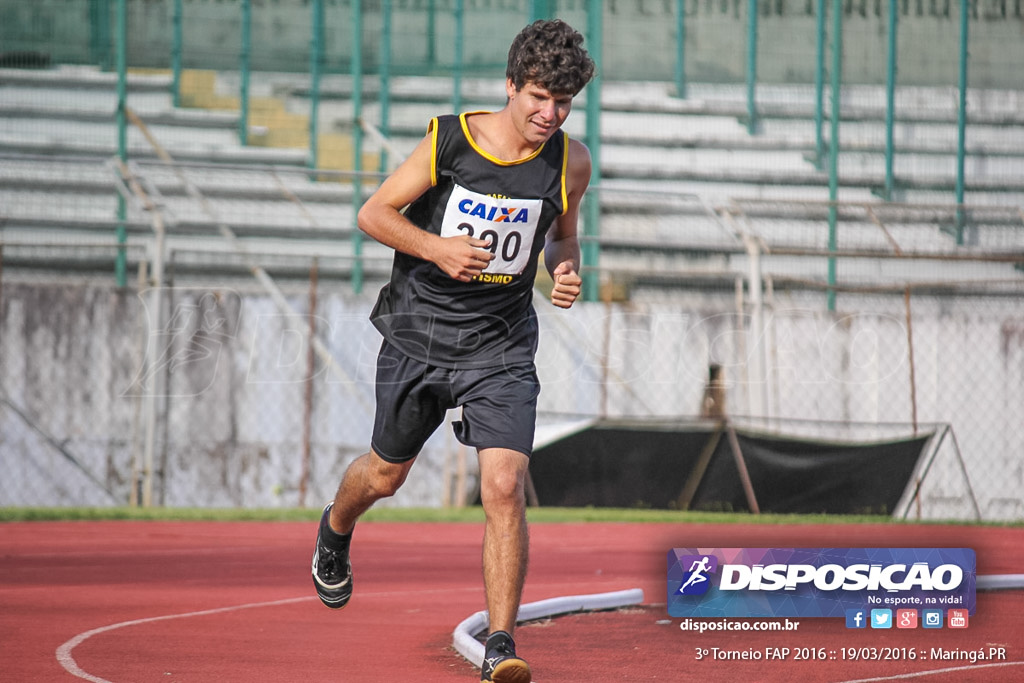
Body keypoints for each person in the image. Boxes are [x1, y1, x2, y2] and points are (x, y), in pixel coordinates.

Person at [311, 18, 595, 683]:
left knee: (503, 485)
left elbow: (562, 237)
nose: (550, 114)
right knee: (385, 474)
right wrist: (437, 247)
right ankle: (335, 526)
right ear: (510, 86)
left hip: (500, 344)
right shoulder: (450, 140)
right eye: (538, 98)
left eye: (563, 103)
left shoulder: (571, 162)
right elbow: (374, 212)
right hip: (421, 332)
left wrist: (567, 267)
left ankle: (500, 642)